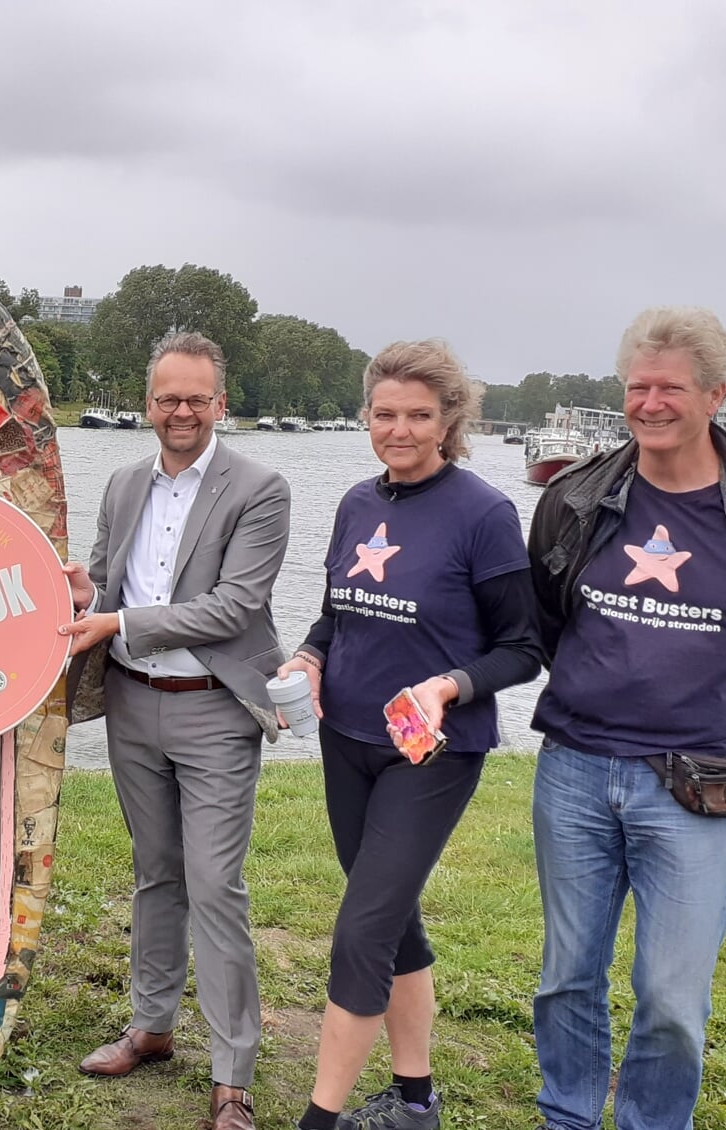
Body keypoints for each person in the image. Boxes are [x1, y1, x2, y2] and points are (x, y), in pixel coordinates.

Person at [526, 307, 726, 1130]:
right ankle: (565, 1115)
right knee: (567, 974)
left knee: (673, 998)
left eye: (669, 387)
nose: (649, 403)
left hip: (698, 785)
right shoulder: (576, 499)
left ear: (716, 395)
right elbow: (542, 618)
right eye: (637, 386)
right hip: (573, 769)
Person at [272, 341, 544, 1130]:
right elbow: (335, 615)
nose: (399, 429)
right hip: (345, 737)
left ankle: (318, 1120)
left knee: (361, 932)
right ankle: (416, 1100)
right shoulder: (359, 503)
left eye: (419, 415)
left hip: (431, 751)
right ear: (367, 416)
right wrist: (308, 656)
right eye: (385, 414)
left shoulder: (484, 514)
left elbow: (524, 648)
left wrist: (448, 685)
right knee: (393, 918)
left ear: (450, 419)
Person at [61, 331, 291, 1130]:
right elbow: (103, 578)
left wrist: (122, 618)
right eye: (168, 398)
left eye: (197, 398)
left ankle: (233, 1077)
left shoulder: (261, 488)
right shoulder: (124, 484)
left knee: (215, 885)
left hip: (214, 710)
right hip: (131, 702)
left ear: (219, 404)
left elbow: (233, 606)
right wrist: (86, 593)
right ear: (147, 403)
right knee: (156, 871)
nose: (182, 411)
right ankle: (152, 1027)